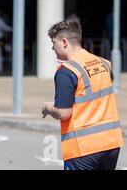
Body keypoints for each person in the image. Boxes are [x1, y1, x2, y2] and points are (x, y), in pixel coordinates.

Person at [42, 20, 124, 170]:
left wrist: (48, 107)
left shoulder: (66, 72)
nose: (52, 48)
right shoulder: (104, 63)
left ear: (64, 42)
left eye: (54, 43)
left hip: (83, 148)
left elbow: (63, 112)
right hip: (111, 143)